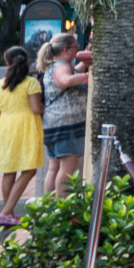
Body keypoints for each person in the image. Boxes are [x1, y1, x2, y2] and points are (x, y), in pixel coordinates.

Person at [0, 47, 42, 226]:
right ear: (25, 61)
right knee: (29, 169)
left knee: (9, 170)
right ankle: (5, 212)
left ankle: (9, 212)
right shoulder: (30, 83)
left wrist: (9, 114)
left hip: (5, 127)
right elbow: (36, 109)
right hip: (26, 127)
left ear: (6, 62)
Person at [40, 35, 89, 196]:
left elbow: (72, 72)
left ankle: (50, 207)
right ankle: (63, 207)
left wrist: (86, 64)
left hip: (52, 123)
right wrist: (88, 78)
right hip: (67, 125)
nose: (78, 49)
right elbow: (65, 80)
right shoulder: (62, 67)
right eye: (75, 47)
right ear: (66, 50)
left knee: (53, 167)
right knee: (67, 167)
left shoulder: (53, 66)